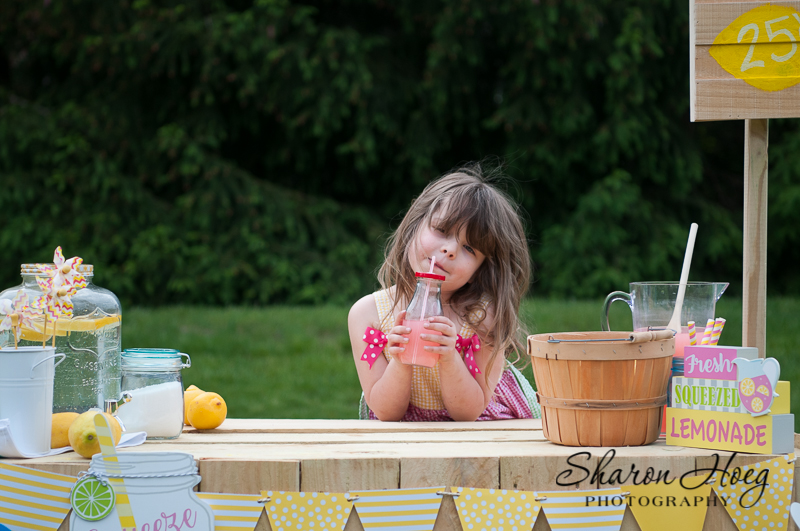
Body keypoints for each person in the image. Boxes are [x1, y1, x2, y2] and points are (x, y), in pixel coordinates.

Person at [348, 164, 541, 421]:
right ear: (414, 225)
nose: (449, 250)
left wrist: (449, 357)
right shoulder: (368, 315)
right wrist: (401, 360)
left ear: (480, 270)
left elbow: (468, 413)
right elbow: (386, 413)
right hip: (404, 434)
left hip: (480, 429)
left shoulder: (483, 317)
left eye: (469, 249)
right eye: (441, 230)